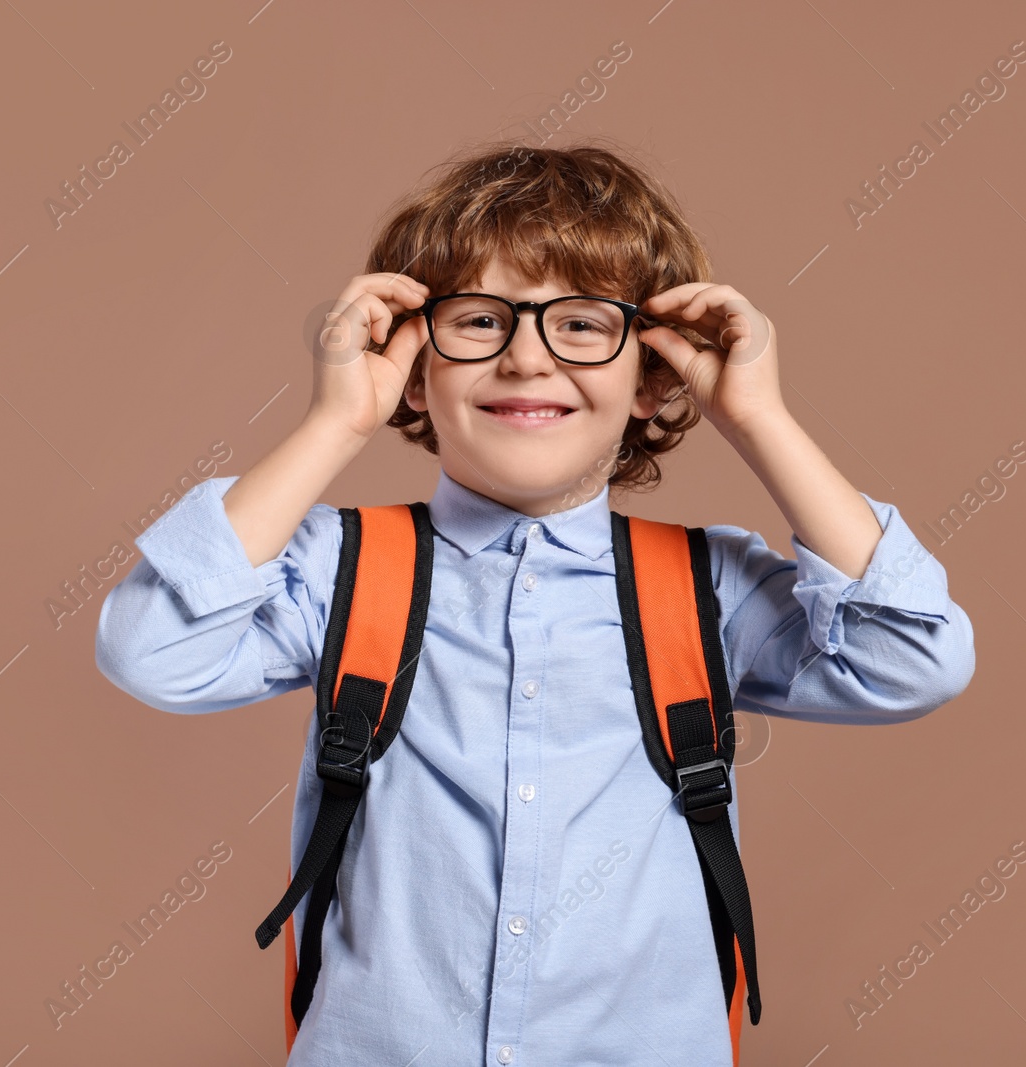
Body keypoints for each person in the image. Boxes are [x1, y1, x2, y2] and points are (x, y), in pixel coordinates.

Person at [94, 141, 976, 1066]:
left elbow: (913, 658)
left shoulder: (703, 588)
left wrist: (759, 419)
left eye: (583, 325)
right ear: (410, 357)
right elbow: (152, 648)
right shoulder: (338, 570)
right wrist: (334, 424)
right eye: (479, 321)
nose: (526, 360)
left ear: (654, 371)